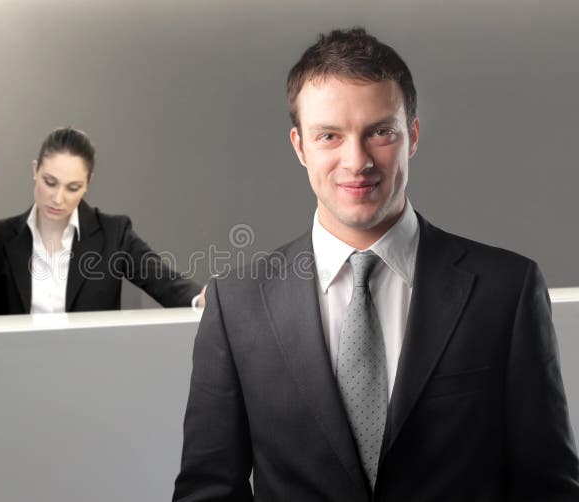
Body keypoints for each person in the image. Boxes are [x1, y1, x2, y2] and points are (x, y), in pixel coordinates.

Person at [173, 27, 579, 501]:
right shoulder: (237, 304)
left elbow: (549, 487)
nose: (357, 160)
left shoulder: (506, 290)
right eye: (329, 136)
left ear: (413, 135)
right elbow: (208, 491)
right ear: (300, 146)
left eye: (380, 132)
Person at [0, 127, 203, 315]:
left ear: (88, 184)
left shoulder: (113, 234)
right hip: (20, 362)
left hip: (91, 363)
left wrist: (201, 300)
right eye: (50, 182)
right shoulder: (2, 236)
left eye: (73, 188)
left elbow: (162, 279)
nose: (58, 199)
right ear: (35, 170)